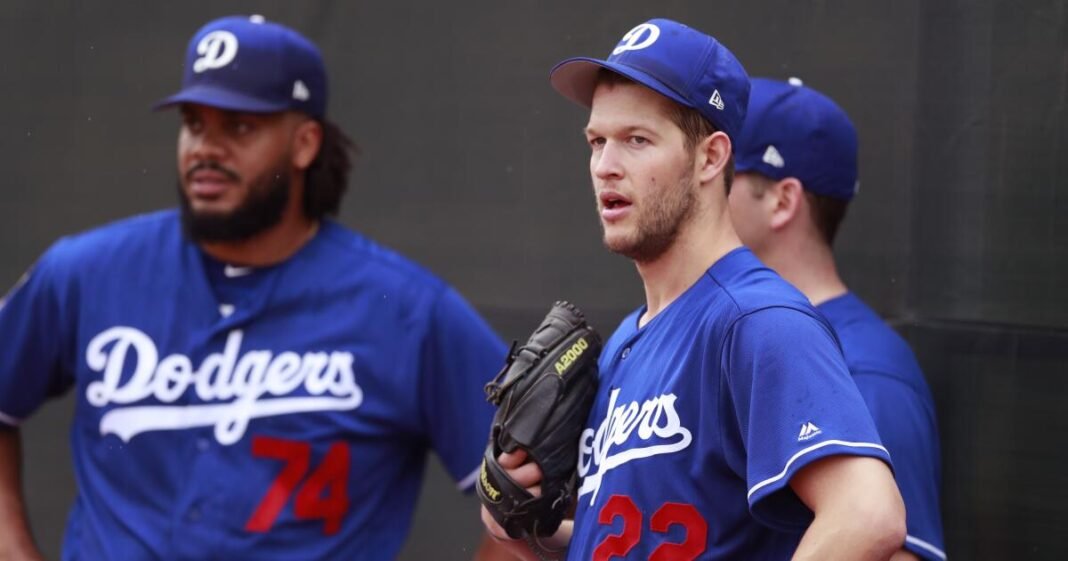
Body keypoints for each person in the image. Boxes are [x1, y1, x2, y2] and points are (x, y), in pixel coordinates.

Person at [0, 15, 510, 561]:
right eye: (194, 124)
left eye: (239, 127)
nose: (205, 148)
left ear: (305, 143)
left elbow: (537, 488)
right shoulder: (86, 272)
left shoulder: (406, 311)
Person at [483, 18, 907, 560]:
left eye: (637, 140)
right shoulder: (627, 339)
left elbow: (867, 514)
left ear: (711, 157)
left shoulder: (757, 321)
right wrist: (525, 529)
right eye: (597, 141)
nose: (605, 166)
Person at [728, 77, 946, 561]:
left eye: (723, 172)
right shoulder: (709, 332)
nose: (699, 187)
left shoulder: (868, 371)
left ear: (782, 200)